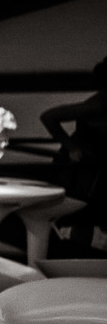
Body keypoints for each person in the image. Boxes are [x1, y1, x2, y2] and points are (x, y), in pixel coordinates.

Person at [42, 56, 107, 241]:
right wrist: (71, 147)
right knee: (84, 216)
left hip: (96, 165)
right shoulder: (100, 103)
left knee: (89, 216)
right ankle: (76, 252)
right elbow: (49, 116)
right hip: (82, 169)